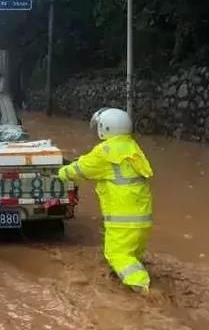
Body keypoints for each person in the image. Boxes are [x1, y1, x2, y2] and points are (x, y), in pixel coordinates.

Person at [58, 107, 154, 293]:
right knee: (131, 256)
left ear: (106, 128)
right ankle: (129, 282)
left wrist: (61, 172)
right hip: (142, 220)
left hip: (122, 222)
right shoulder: (132, 147)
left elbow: (81, 169)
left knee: (117, 254)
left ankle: (145, 292)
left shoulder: (106, 151)